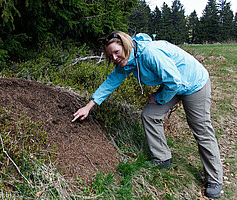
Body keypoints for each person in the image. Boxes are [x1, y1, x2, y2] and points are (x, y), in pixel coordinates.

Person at [72, 31, 223, 199]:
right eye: (110, 55)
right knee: (150, 115)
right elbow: (111, 82)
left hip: (193, 83)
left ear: (126, 46)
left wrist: (158, 97)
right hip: (173, 83)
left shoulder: (150, 54)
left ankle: (214, 179)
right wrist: (88, 106)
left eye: (116, 52)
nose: (114, 58)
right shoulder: (127, 62)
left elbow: (174, 81)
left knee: (201, 130)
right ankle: (162, 158)